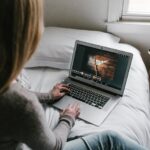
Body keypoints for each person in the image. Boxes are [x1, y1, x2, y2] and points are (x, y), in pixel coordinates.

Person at [0, 0, 148, 150]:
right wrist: (68, 118)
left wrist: (48, 96)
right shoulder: (23, 105)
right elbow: (54, 147)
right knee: (110, 140)